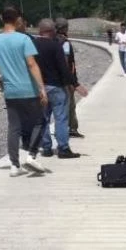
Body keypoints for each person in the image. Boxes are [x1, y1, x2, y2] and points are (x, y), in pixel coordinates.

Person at [0, 5, 49, 176]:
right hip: (28, 90)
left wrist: (0, 84)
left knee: (14, 127)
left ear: (1, 18)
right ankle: (31, 155)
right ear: (18, 20)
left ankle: (14, 166)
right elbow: (31, 64)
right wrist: (42, 88)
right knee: (40, 121)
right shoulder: (24, 39)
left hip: (11, 92)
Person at [34, 18, 86, 158]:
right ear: (52, 31)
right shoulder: (55, 46)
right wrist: (75, 84)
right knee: (61, 118)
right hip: (56, 86)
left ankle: (46, 148)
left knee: (43, 118)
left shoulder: (32, 44)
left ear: (40, 31)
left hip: (40, 88)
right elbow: (64, 68)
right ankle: (63, 148)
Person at [55, 18, 86, 139]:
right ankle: (72, 128)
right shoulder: (65, 42)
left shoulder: (52, 40)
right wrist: (72, 81)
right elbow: (67, 62)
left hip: (55, 79)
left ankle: (61, 129)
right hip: (66, 79)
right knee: (70, 105)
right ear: (64, 28)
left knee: (59, 107)